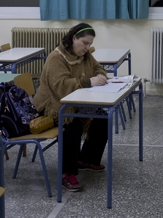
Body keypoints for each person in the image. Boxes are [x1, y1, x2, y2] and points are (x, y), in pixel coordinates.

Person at [32, 22, 110, 192]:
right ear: (74, 38)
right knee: (71, 127)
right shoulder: (57, 57)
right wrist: (88, 82)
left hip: (75, 103)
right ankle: (66, 174)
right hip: (51, 106)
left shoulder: (85, 55)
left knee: (103, 118)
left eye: (90, 44)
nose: (87, 47)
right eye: (85, 43)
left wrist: (101, 76)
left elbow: (98, 68)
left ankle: (86, 159)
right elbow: (60, 86)